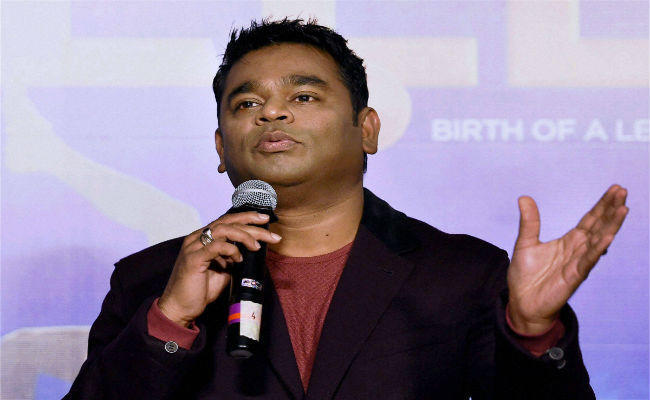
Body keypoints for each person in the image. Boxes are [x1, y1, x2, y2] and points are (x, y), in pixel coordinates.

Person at [65, 18, 628, 399]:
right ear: (220, 147)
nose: (271, 114)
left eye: (303, 96)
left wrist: (533, 333)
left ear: (367, 129)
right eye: (247, 102)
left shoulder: (462, 274)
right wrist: (170, 321)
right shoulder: (150, 282)